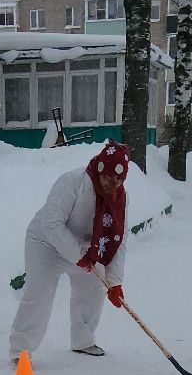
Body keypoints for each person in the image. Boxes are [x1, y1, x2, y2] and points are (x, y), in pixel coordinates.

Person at [9, 140, 131, 361]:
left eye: (118, 180)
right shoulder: (73, 181)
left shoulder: (121, 199)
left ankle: (83, 341)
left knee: (93, 288)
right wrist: (78, 256)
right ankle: (21, 350)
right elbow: (51, 223)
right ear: (99, 169)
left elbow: (118, 240)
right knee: (39, 295)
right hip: (45, 243)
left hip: (84, 249)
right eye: (107, 177)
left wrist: (115, 282)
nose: (111, 185)